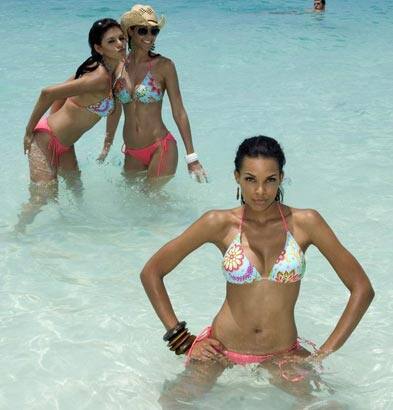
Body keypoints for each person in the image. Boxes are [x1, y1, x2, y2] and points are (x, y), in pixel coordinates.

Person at [140, 136, 374, 407]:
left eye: (270, 180)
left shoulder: (306, 223)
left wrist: (322, 354)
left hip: (282, 354)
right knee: (173, 402)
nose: (260, 191)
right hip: (221, 351)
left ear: (281, 178)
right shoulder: (219, 223)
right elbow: (152, 272)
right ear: (237, 177)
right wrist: (183, 341)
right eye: (251, 179)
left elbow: (362, 289)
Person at [16, 19, 126, 232]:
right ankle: (16, 233)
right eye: (111, 41)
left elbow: (111, 103)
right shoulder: (98, 77)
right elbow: (48, 93)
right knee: (43, 197)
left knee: (76, 188)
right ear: (98, 47)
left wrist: (108, 142)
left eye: (121, 38)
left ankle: (74, 229)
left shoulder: (108, 69)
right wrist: (29, 131)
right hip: (44, 141)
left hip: (66, 144)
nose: (119, 44)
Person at [97, 5, 207, 184]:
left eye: (154, 31)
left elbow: (179, 111)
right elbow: (115, 110)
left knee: (152, 202)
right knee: (132, 204)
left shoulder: (164, 66)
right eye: (143, 30)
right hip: (132, 151)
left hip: (161, 147)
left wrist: (192, 157)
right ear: (131, 31)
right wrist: (107, 144)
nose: (149, 36)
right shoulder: (117, 66)